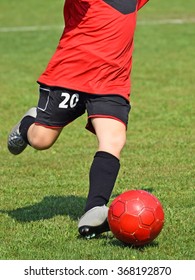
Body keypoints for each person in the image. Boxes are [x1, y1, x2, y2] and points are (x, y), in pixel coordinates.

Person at [8, 0, 149, 239]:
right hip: (70, 75)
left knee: (114, 139)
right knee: (42, 139)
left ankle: (94, 210)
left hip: (111, 82)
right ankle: (27, 125)